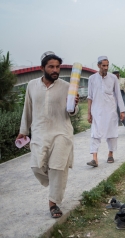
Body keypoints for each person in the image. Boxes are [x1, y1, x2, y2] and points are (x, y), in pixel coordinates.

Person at [17, 51, 79, 218]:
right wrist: (23, 131)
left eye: (58, 67)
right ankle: (55, 183)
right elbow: (27, 109)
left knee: (57, 167)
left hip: (61, 132)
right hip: (39, 133)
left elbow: (72, 112)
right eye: (51, 66)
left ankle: (53, 203)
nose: (55, 70)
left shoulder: (67, 87)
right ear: (42, 68)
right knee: (36, 166)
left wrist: (74, 105)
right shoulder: (31, 85)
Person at [86, 56, 125, 167]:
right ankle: (94, 158)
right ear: (98, 65)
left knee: (112, 132)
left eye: (107, 65)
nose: (106, 68)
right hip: (96, 110)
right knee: (95, 133)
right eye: (103, 65)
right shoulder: (92, 78)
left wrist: (122, 110)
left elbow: (118, 95)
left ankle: (110, 154)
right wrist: (89, 113)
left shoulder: (113, 78)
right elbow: (90, 97)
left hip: (110, 110)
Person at [113, 71, 125, 136]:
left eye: (117, 74)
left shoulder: (123, 81)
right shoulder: (111, 82)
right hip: (114, 100)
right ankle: (115, 131)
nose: (116, 76)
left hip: (123, 99)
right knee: (114, 115)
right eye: (114, 75)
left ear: (119, 74)